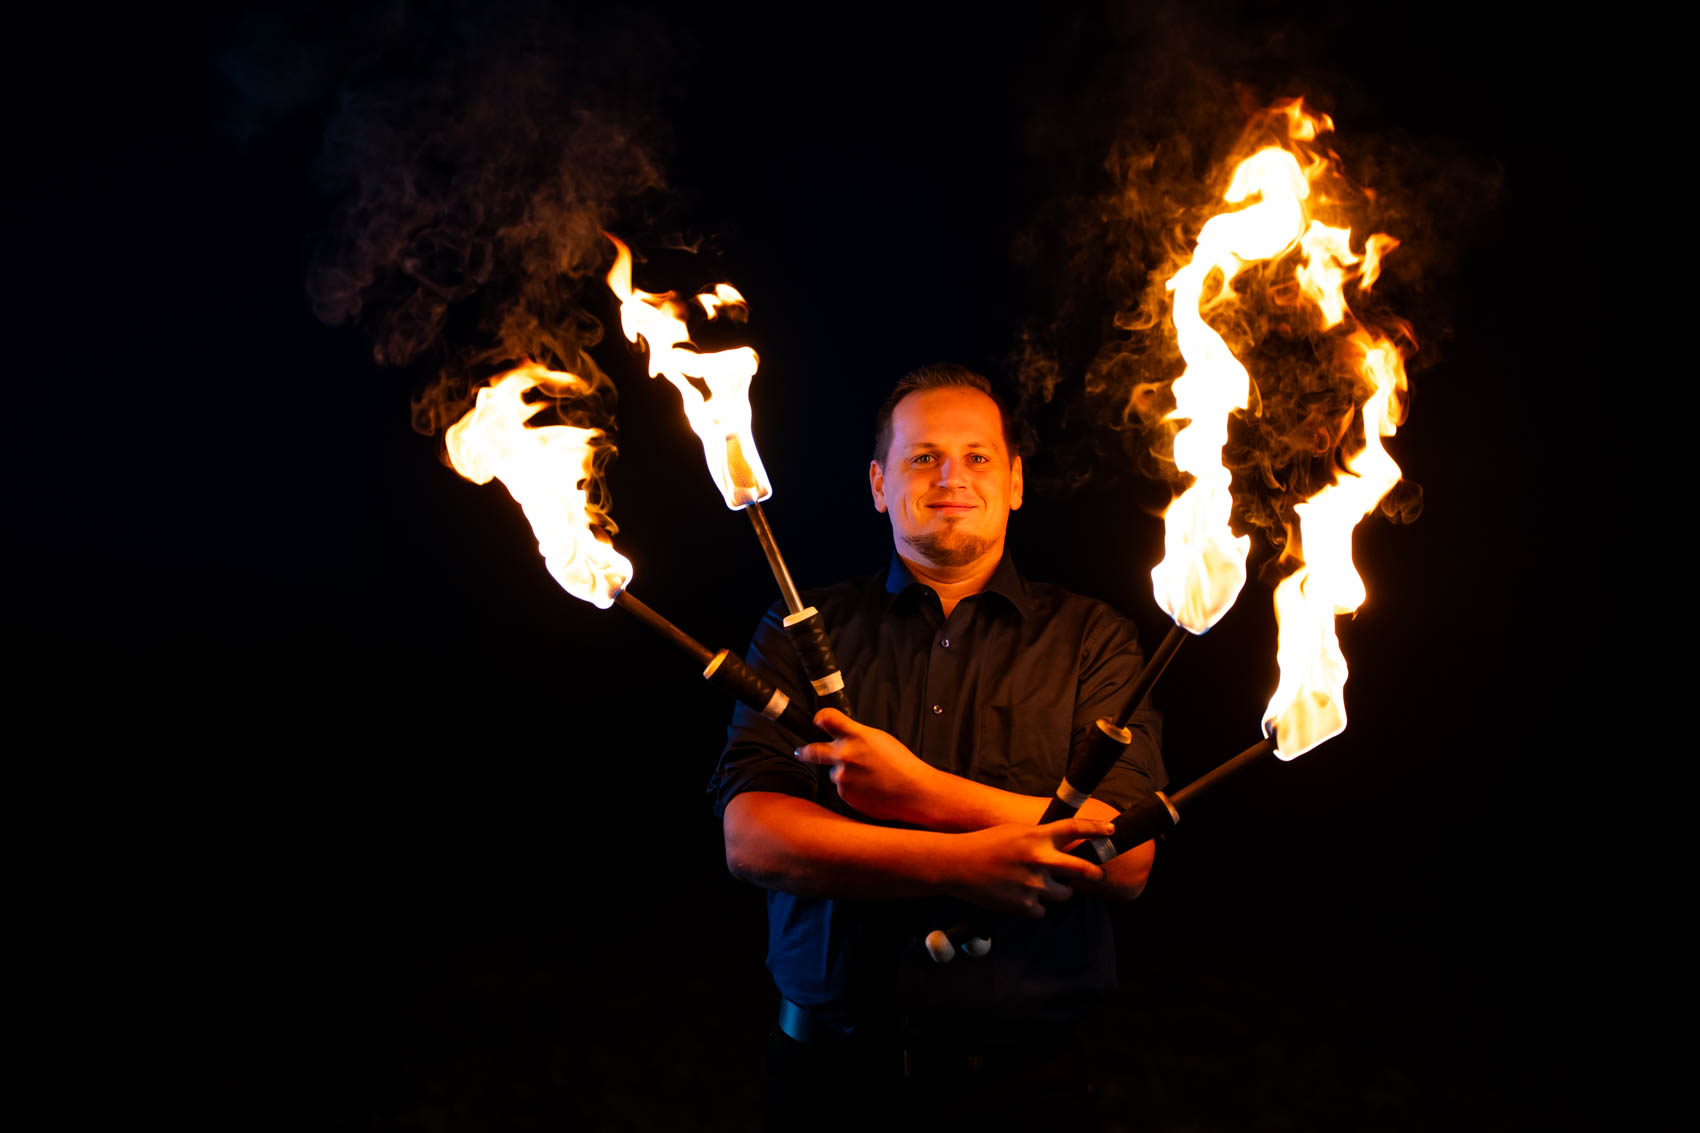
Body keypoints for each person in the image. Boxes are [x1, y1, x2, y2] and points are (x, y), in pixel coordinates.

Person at [708, 364, 1166, 1131]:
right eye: (923, 457)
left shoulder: (1095, 639)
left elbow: (1126, 855)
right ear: (879, 484)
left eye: (976, 456)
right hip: (829, 1080)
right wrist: (960, 862)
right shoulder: (800, 625)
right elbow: (751, 839)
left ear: (1014, 482)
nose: (951, 476)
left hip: (1028, 1091)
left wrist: (918, 790)